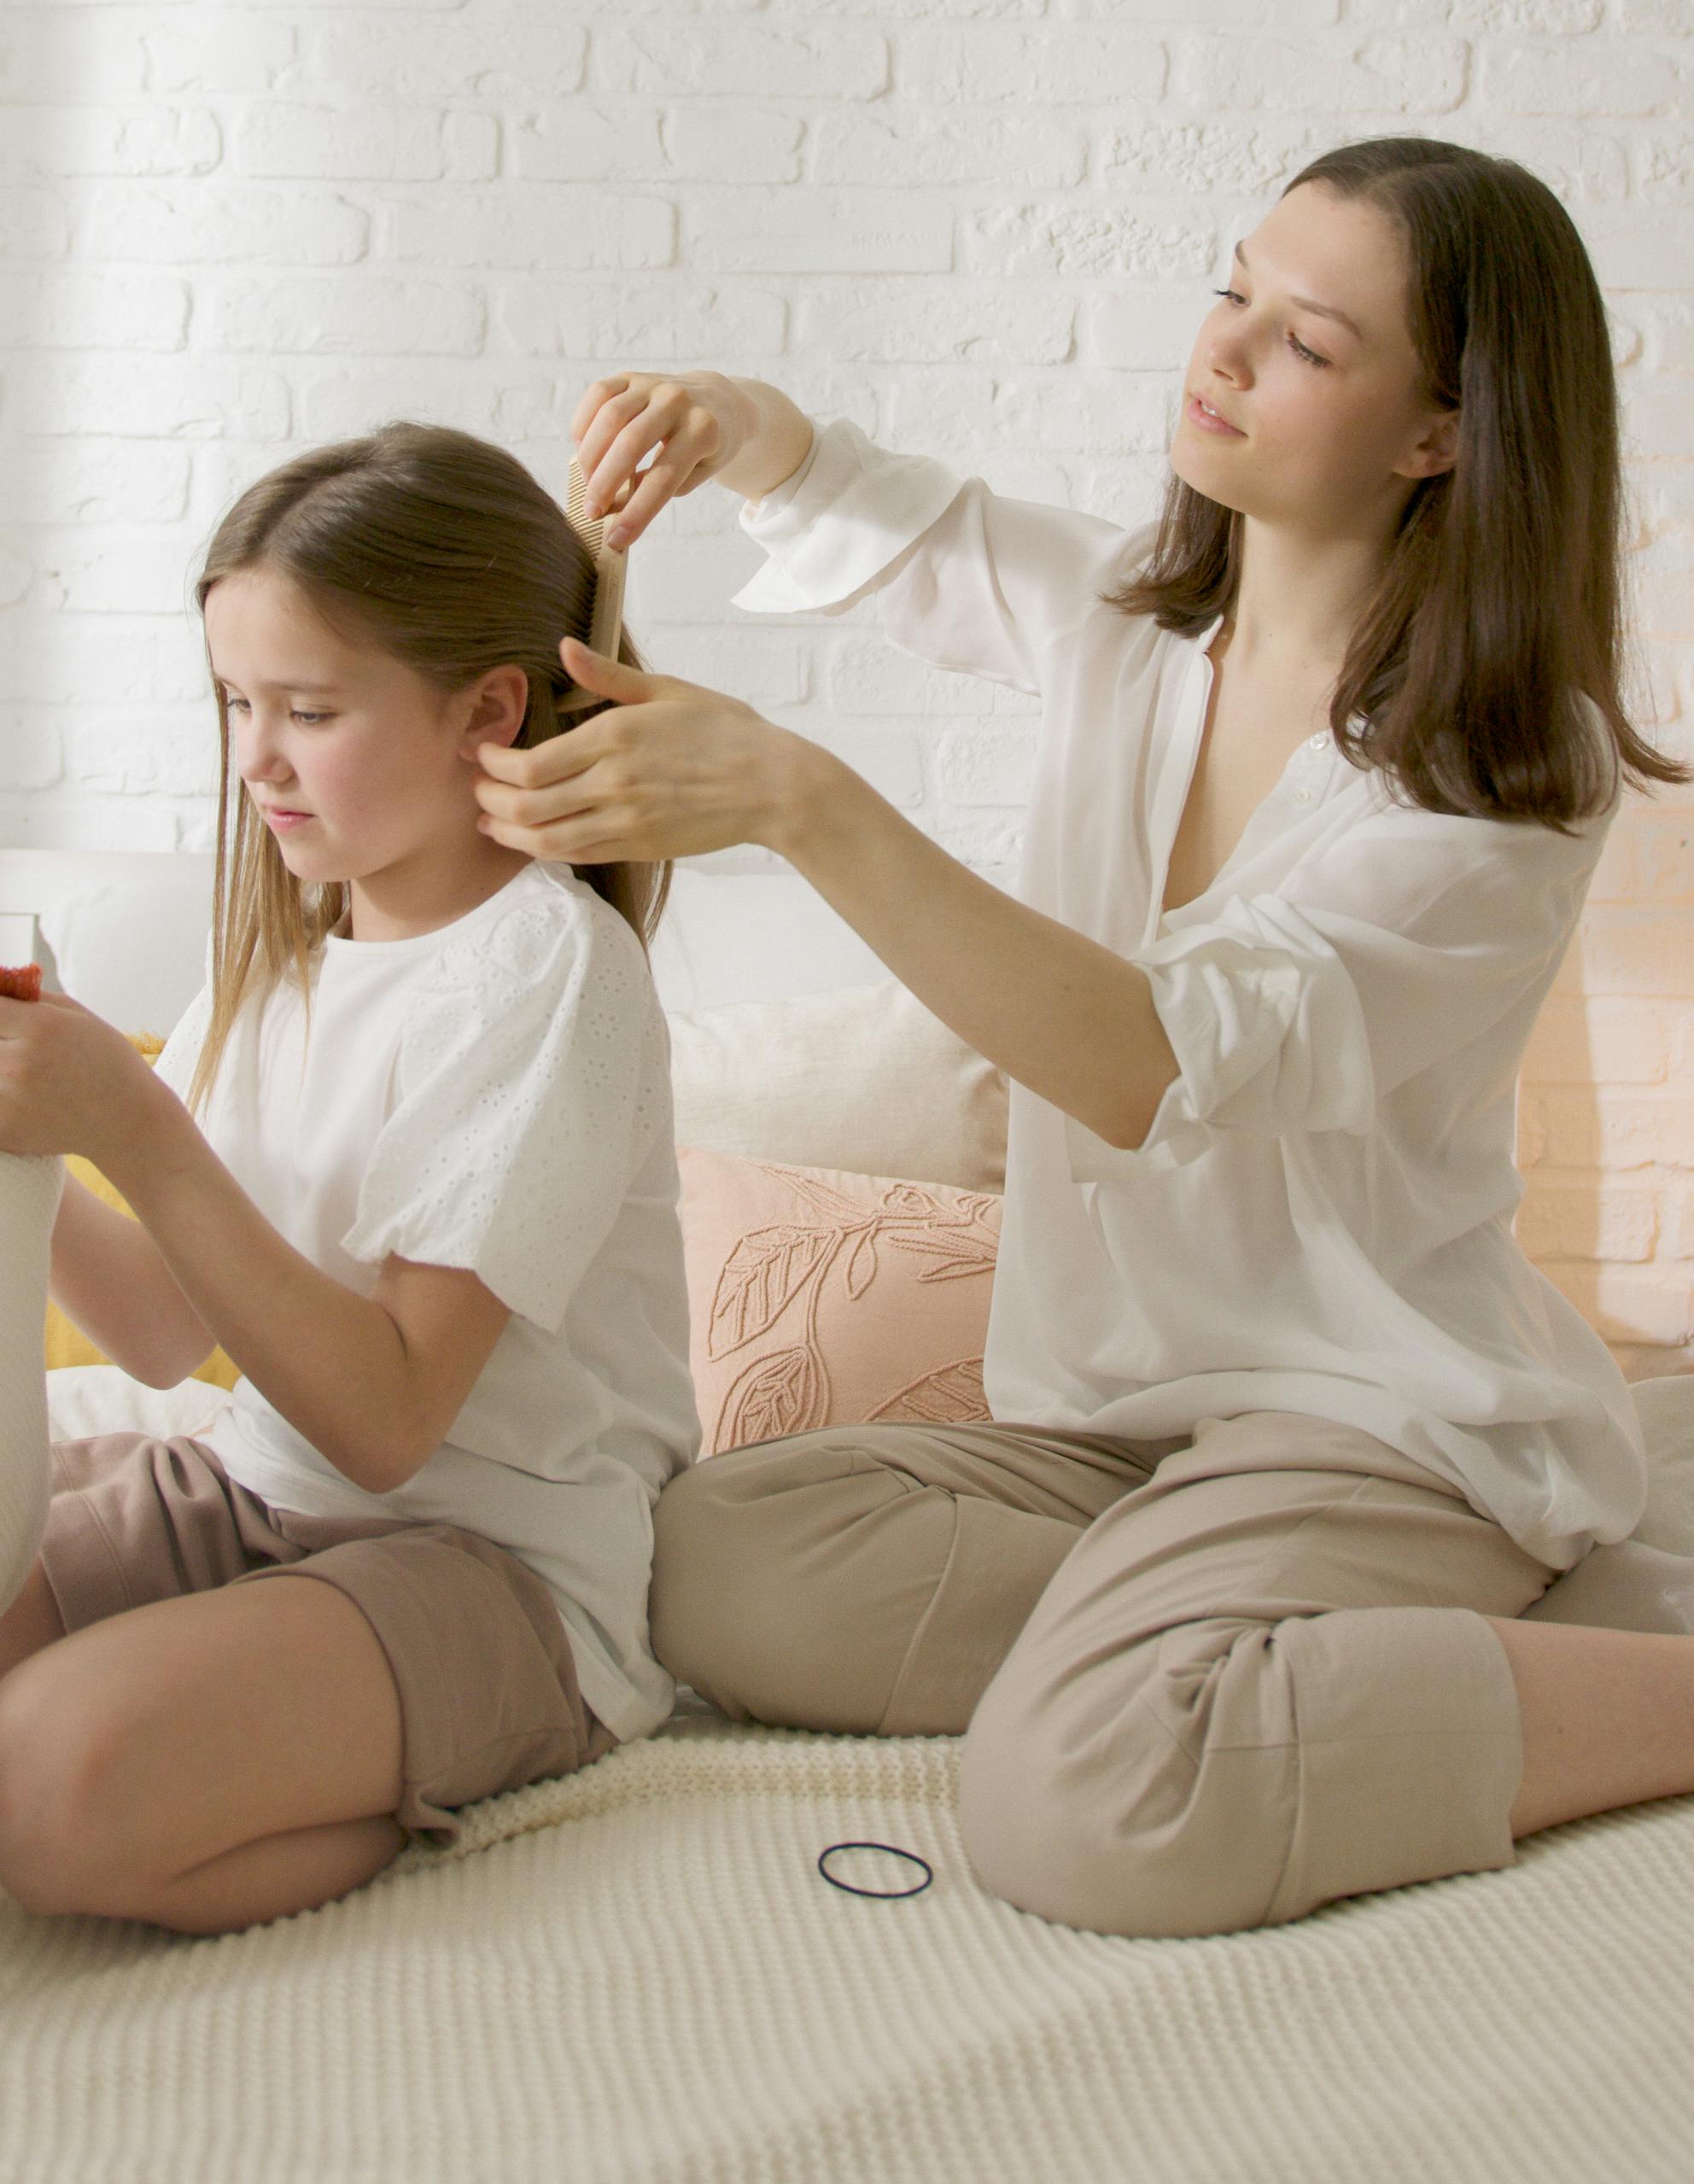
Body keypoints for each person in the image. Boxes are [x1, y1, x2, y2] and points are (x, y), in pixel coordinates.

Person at [474, 136, 1694, 1939]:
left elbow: (1155, 1064)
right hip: (1117, 1432)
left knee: (1088, 1806)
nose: (1221, 353)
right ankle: (1290, 1622)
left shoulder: (1504, 787)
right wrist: (737, 421)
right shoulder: (1134, 626)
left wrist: (803, 803)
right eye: (1231, 291)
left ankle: (1529, 1645)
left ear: (1439, 433)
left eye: (1307, 342)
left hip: (1372, 1420)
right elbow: (909, 520)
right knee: (708, 1562)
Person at [0, 425, 698, 1936]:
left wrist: (130, 1123)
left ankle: (429, 1790)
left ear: (485, 712)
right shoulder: (285, 963)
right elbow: (174, 1337)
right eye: (236, 703)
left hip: (494, 1567)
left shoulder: (552, 973)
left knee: (41, 1786)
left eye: (307, 709)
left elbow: (386, 1424)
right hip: (252, 1499)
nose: (254, 759)